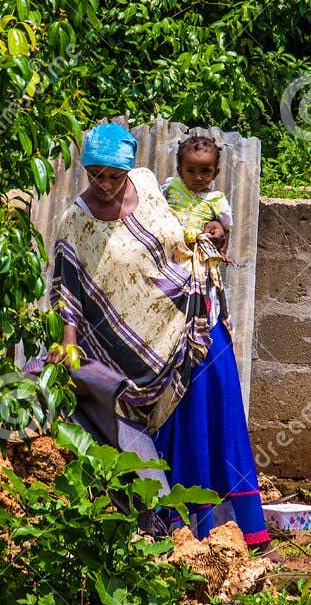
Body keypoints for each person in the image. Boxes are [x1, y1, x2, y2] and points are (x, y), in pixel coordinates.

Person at [50, 121, 269, 549]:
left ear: (130, 170)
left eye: (115, 175)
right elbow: (67, 288)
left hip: (195, 325)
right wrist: (70, 344)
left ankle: (231, 531)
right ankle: (174, 528)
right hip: (136, 351)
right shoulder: (74, 220)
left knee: (215, 420)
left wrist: (218, 232)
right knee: (170, 432)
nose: (106, 184)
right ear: (85, 170)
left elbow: (196, 217)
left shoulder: (150, 187)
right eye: (96, 174)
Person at [163, 133, 235, 323]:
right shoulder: (172, 187)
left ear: (216, 172)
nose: (198, 177)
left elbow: (226, 227)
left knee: (199, 303)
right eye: (191, 170)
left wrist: (221, 251)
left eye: (205, 171)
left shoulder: (216, 200)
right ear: (180, 170)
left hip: (197, 258)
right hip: (170, 254)